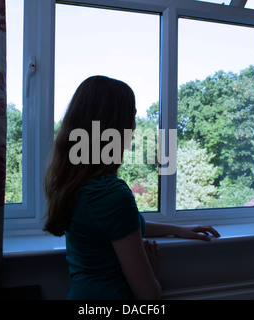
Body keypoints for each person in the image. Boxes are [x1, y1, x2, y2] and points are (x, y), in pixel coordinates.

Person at [43, 75, 220, 300]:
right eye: (132, 117)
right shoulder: (112, 194)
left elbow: (125, 225)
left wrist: (178, 229)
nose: (134, 127)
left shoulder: (75, 183)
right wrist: (153, 271)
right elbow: (149, 297)